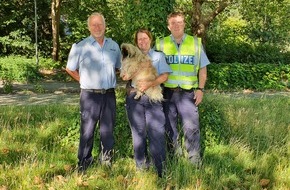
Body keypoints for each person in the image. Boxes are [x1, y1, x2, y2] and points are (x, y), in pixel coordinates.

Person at [65, 12, 121, 172]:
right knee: (87, 130)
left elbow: (119, 67)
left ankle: (106, 161)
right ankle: (84, 162)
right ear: (89, 27)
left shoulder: (114, 46)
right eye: (94, 24)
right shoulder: (80, 46)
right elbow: (70, 68)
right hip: (89, 95)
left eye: (100, 24)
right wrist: (82, 80)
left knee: (108, 130)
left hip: (109, 95)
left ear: (105, 26)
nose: (97, 27)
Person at [155, 12, 210, 166]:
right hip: (167, 93)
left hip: (188, 94)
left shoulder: (195, 43)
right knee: (169, 127)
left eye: (179, 22)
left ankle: (194, 161)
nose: (177, 25)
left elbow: (203, 69)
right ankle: (173, 159)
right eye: (173, 22)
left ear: (184, 24)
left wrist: (200, 89)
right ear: (168, 26)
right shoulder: (160, 44)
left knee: (191, 127)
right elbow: (153, 69)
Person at [122, 28, 172, 177]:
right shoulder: (130, 56)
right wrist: (138, 70)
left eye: (145, 38)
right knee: (138, 133)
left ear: (150, 39)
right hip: (134, 99)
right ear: (136, 42)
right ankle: (142, 169)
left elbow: (164, 77)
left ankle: (160, 170)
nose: (142, 41)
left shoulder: (158, 56)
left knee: (156, 133)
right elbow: (124, 77)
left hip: (153, 98)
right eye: (139, 39)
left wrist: (149, 84)